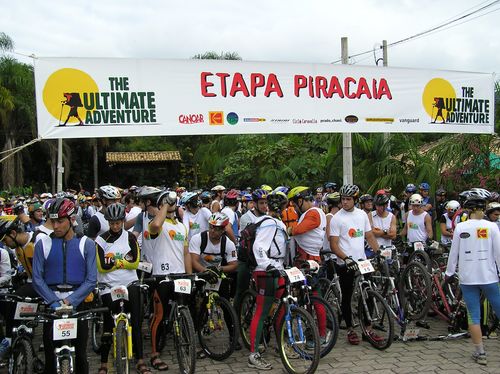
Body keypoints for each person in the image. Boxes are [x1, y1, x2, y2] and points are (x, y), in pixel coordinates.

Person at [32, 198, 96, 374]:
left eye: (60, 221)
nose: (55, 226)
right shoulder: (42, 243)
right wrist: (54, 302)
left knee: (81, 355)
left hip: (77, 301)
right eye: (53, 221)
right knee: (50, 358)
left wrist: (71, 301)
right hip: (51, 301)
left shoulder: (86, 243)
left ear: (72, 220)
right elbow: (37, 278)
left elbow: (91, 279)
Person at [95, 203, 151, 374]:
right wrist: (122, 263)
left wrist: (114, 262)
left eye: (118, 222)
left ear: (122, 221)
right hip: (108, 286)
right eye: (112, 223)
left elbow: (135, 262)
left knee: (136, 321)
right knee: (107, 324)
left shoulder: (130, 238)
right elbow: (101, 266)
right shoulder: (101, 240)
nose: (115, 226)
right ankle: (104, 363)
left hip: (130, 283)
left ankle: (140, 360)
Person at [445, 194, 500, 366]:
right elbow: (498, 253)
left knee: (473, 315)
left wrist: (449, 272)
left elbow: (454, 253)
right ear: (483, 209)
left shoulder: (461, 227)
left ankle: (480, 352)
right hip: (489, 276)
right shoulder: (492, 227)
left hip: (468, 277)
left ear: (468, 210)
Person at [330, 184, 382, 345]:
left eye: (348, 199)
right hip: (345, 263)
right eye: (342, 199)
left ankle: (368, 328)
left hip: (362, 261)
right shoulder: (337, 218)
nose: (344, 202)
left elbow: (369, 236)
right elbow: (334, 245)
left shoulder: (362, 215)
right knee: (347, 297)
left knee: (368, 293)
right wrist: (345, 259)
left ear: (355, 200)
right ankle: (351, 329)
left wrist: (378, 252)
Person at [147, 190, 192, 371]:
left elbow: (186, 253)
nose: (171, 204)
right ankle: (154, 354)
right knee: (160, 315)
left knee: (183, 310)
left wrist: (190, 276)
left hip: (180, 275)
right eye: (166, 202)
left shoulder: (182, 226)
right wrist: (165, 204)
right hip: (161, 276)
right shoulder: (156, 223)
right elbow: (156, 224)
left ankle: (183, 340)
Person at [247, 191, 288, 370]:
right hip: (266, 271)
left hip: (278, 269)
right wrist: (266, 265)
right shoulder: (269, 223)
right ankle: (253, 355)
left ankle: (279, 344)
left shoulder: (278, 223)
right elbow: (259, 246)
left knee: (281, 306)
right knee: (262, 312)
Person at [189, 212, 238, 299]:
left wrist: (220, 269)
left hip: (217, 272)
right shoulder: (198, 239)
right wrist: (206, 272)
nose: (212, 231)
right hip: (200, 271)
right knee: (192, 299)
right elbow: (193, 261)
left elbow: (234, 265)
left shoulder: (228, 244)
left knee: (225, 293)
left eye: (216, 229)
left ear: (223, 230)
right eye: (211, 227)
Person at [0, 242, 12, 360]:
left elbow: (7, 276)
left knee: (9, 316)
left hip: (3, 292)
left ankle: (7, 343)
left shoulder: (2, 253)